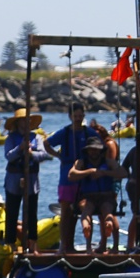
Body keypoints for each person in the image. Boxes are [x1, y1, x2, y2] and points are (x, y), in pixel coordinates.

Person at [47, 101, 106, 255]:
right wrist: (58, 156)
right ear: (70, 116)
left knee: (84, 210)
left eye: (80, 116)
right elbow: (47, 143)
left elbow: (103, 145)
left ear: (84, 116)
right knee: (66, 213)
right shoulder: (64, 133)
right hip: (66, 177)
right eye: (75, 116)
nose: (78, 118)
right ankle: (63, 246)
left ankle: (86, 246)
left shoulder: (89, 133)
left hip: (84, 178)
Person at [69, 115, 121, 254]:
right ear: (87, 150)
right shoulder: (82, 162)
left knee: (107, 211)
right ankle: (87, 240)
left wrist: (104, 173)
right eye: (91, 150)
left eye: (96, 150)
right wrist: (88, 172)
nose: (94, 152)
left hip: (105, 195)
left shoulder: (107, 162)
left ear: (100, 150)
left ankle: (111, 233)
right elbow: (71, 175)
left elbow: (122, 173)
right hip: (88, 197)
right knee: (86, 211)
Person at [2, 108, 47, 252]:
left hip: (32, 180)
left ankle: (32, 242)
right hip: (14, 179)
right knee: (12, 212)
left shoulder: (37, 138)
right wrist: (19, 149)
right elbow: (8, 156)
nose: (26, 122)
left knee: (31, 213)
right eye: (23, 120)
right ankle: (10, 243)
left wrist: (31, 153)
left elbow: (43, 155)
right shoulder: (11, 138)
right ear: (18, 122)